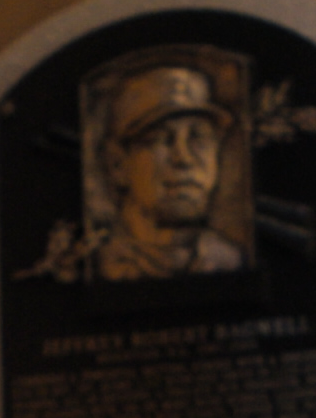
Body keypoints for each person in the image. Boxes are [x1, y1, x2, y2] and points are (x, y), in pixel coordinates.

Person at [76, 60, 245, 279]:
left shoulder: (229, 260)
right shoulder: (95, 262)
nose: (183, 159)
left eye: (198, 137)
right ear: (117, 164)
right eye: (160, 139)